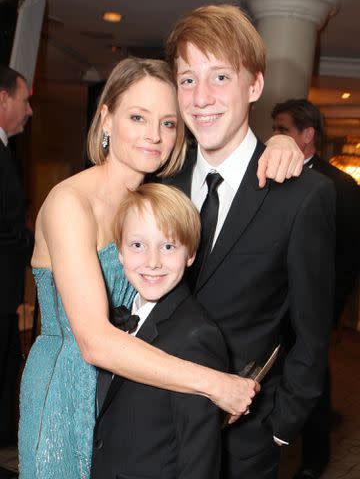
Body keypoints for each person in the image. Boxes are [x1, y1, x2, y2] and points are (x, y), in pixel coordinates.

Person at [18, 56, 298, 479]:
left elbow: (229, 156)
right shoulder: (69, 203)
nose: (154, 135)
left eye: (169, 123)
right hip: (67, 389)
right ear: (106, 118)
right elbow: (93, 342)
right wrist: (215, 382)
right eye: (137, 117)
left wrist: (280, 144)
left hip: (130, 390)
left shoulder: (158, 195)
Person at [161, 5, 336, 478]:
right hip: (150, 427)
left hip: (240, 443)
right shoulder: (160, 185)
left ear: (254, 85)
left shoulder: (302, 196)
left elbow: (312, 329)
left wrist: (279, 427)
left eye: (219, 77)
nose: (201, 98)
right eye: (187, 80)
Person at [92, 183, 228, 479]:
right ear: (119, 252)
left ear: (190, 254)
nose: (152, 262)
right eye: (138, 245)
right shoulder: (117, 319)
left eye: (168, 246)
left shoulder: (197, 336)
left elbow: (199, 459)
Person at [272, 98, 360, 479]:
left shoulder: (339, 185)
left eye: (282, 130)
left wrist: (329, 312)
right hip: (273, 304)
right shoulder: (269, 174)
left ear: (306, 135)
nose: (273, 137)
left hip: (314, 307)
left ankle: (314, 461)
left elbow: (349, 256)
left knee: (313, 378)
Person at [0, 65, 33, 455]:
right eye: (24, 101)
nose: (29, 111)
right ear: (3, 98)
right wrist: (29, 238)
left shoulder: (7, 149)